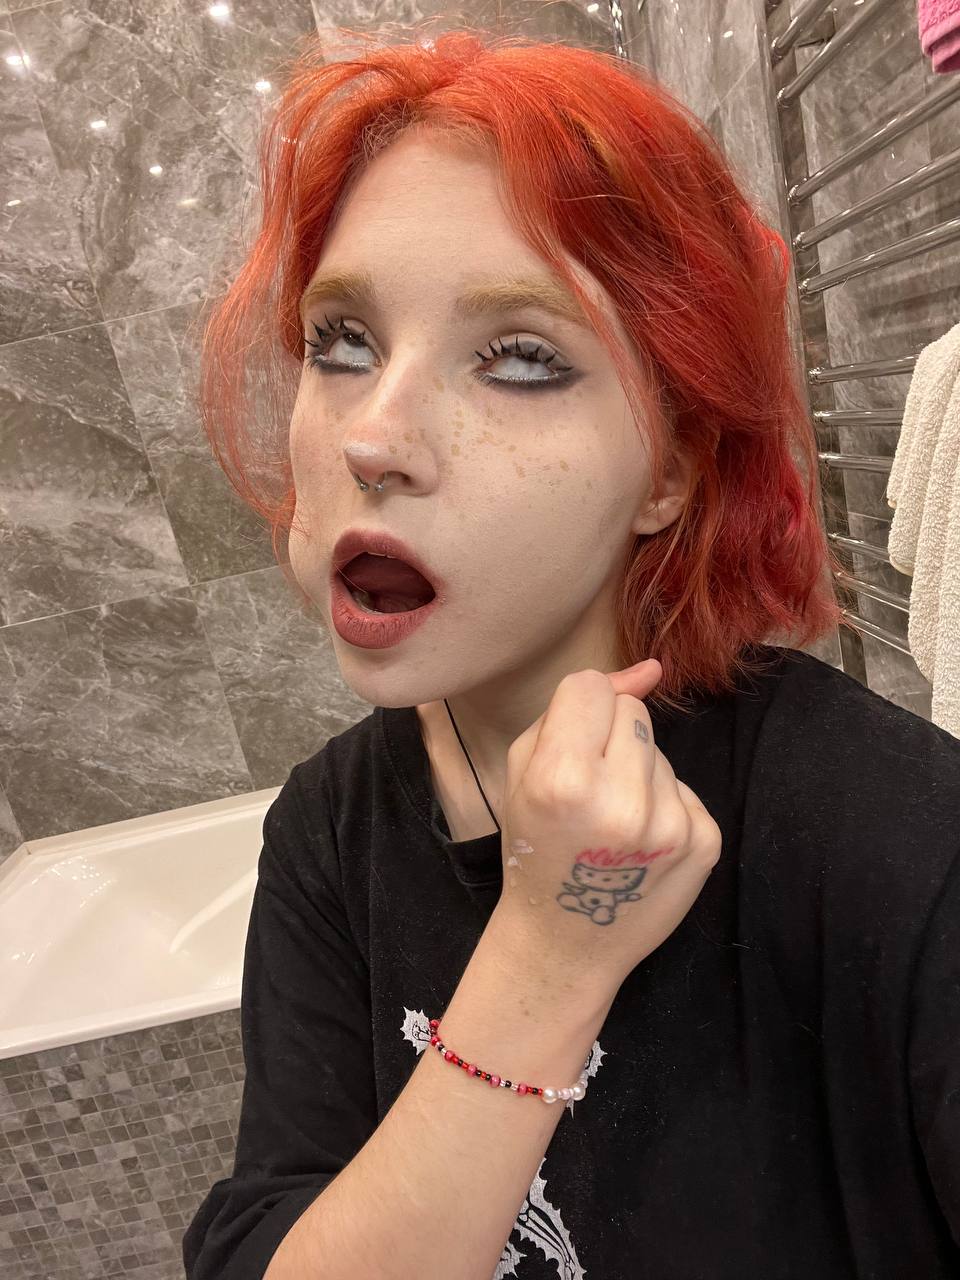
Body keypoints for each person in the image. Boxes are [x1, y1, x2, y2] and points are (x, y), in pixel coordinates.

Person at [182, 26, 960, 1280]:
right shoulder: (329, 830)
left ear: (669, 471)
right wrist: (548, 952)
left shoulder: (894, 833)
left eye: (522, 359)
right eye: (343, 341)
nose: (372, 436)